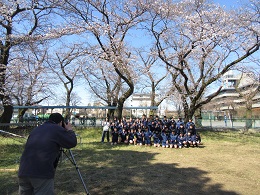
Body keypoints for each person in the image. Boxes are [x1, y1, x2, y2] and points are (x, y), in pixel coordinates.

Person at [18, 113, 77, 195]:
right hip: (41, 173)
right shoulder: (57, 129)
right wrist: (70, 130)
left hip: (24, 171)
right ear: (61, 122)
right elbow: (72, 142)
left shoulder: (37, 129)